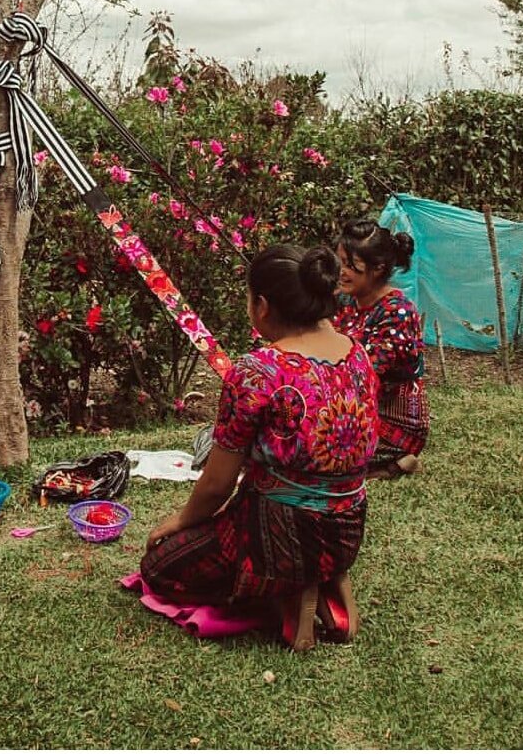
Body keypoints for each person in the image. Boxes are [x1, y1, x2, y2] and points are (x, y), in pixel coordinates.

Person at [139, 244, 378, 651]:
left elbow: (217, 486)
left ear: (262, 305)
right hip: (346, 532)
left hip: (277, 536)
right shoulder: (358, 355)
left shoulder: (255, 372)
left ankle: (280, 589)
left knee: (159, 567)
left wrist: (179, 521)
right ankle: (321, 578)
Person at [334, 218, 428, 478]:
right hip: (349, 405)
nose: (342, 271)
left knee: (310, 445)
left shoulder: (398, 312)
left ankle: (394, 459)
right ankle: (385, 467)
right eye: (341, 262)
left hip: (389, 419)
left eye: (352, 266)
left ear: (378, 268)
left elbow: (365, 376)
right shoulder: (344, 301)